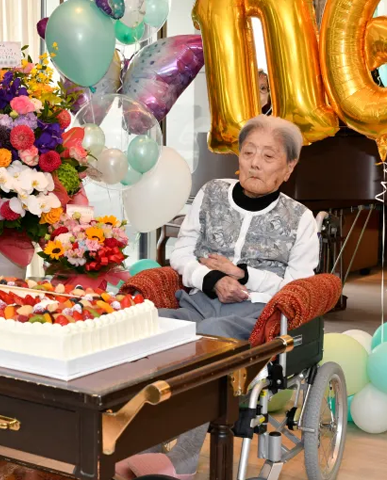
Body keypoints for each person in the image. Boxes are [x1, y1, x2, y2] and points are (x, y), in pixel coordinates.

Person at [116, 115, 319, 480]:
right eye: (248, 152)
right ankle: (140, 444)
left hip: (255, 310)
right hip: (197, 297)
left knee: (206, 340)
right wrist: (211, 279)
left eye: (268, 157)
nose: (255, 163)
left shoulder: (300, 219)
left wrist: (242, 275)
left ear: (289, 168)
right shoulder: (211, 193)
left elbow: (298, 284)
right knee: (147, 329)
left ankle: (187, 456)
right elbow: (181, 253)